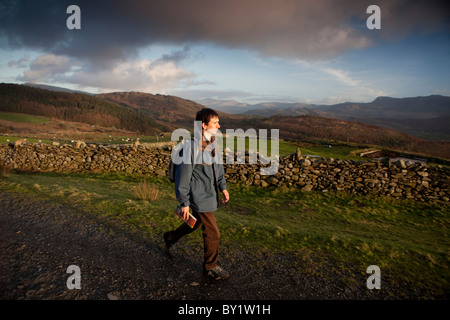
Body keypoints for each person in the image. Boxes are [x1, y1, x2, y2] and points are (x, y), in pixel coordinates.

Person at [163, 108, 230, 280]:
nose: (219, 125)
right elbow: (182, 177)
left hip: (209, 193)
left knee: (197, 222)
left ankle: (170, 237)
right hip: (198, 196)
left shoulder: (213, 144)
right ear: (204, 125)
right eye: (215, 123)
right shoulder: (191, 148)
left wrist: (223, 187)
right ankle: (210, 267)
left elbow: (218, 167)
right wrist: (184, 202)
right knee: (213, 231)